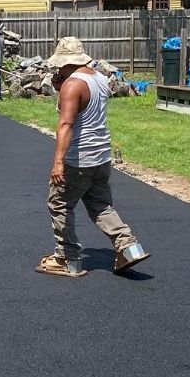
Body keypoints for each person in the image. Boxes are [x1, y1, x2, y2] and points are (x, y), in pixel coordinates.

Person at [35, 37, 149, 278]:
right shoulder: (99, 78)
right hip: (101, 156)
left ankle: (67, 259)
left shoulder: (72, 85)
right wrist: (62, 87)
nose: (57, 69)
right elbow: (85, 107)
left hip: (79, 158)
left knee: (60, 204)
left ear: (66, 62)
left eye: (59, 65)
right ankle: (129, 247)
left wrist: (58, 163)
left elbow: (66, 123)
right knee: (100, 205)